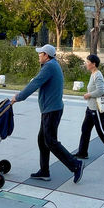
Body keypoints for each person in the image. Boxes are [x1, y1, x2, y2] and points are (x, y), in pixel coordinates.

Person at [10, 44, 84, 183]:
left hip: (52, 110)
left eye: (40, 53)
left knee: (50, 141)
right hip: (50, 109)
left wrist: (18, 97)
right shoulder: (51, 65)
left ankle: (75, 165)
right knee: (42, 140)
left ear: (46, 55)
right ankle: (44, 171)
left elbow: (35, 84)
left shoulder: (50, 66)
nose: (38, 55)